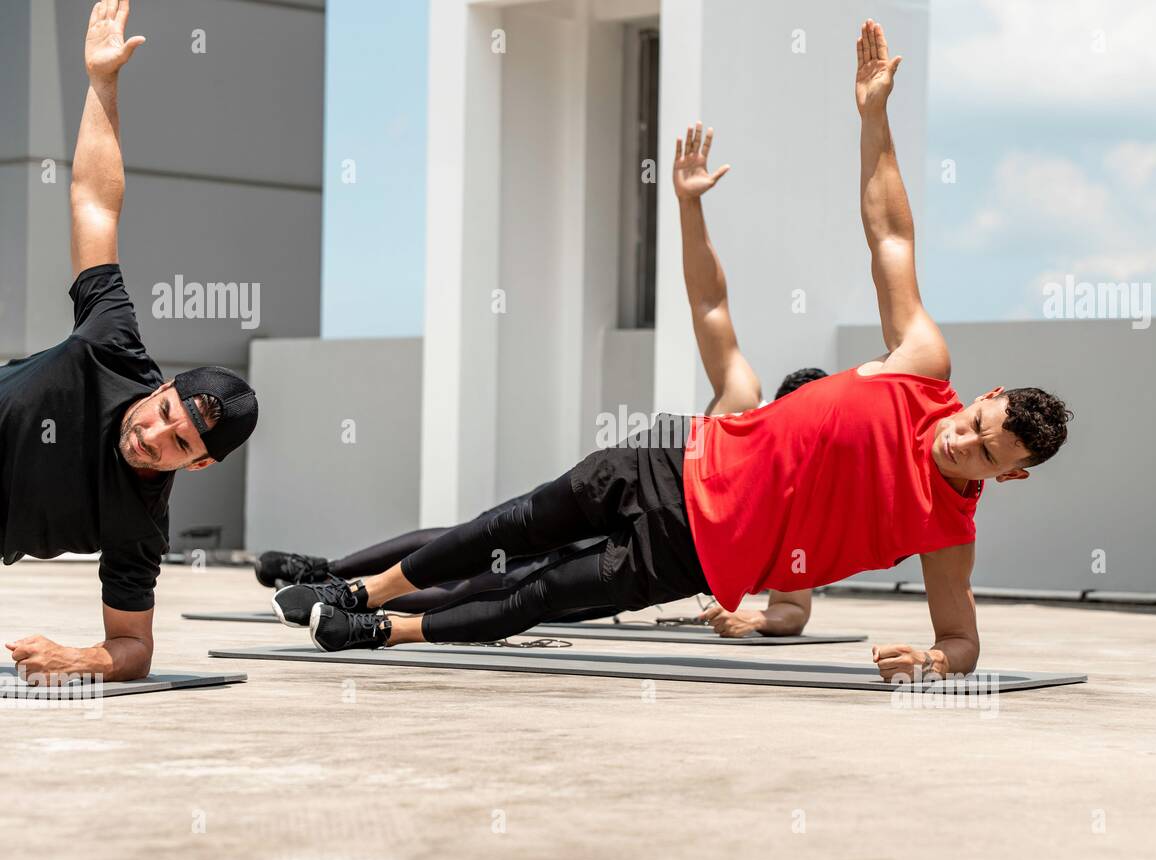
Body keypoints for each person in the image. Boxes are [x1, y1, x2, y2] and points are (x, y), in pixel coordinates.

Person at [277, 19, 1070, 684]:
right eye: (975, 421)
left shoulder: (948, 533)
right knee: (510, 521)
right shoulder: (922, 362)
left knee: (538, 596)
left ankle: (377, 633)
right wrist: (872, 116)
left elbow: (964, 640)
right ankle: (362, 588)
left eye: (981, 453)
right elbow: (890, 234)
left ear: (1010, 476)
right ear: (983, 394)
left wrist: (933, 659)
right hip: (670, 459)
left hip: (689, 550)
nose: (960, 439)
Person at [263, 125, 825, 638]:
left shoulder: (806, 504)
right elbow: (710, 305)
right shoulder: (740, 406)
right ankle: (329, 575)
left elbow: (793, 609)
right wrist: (688, 206)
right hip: (623, 500)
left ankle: (367, 618)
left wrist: (753, 617)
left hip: (656, 558)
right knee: (480, 536)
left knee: (500, 588)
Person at [1, 0, 259, 685]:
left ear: (198, 466)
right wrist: (103, 84)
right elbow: (94, 200)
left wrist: (77, 657)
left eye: (179, 444)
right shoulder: (115, 343)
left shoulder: (139, 525)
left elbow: (134, 649)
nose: (153, 434)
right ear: (163, 387)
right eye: (165, 412)